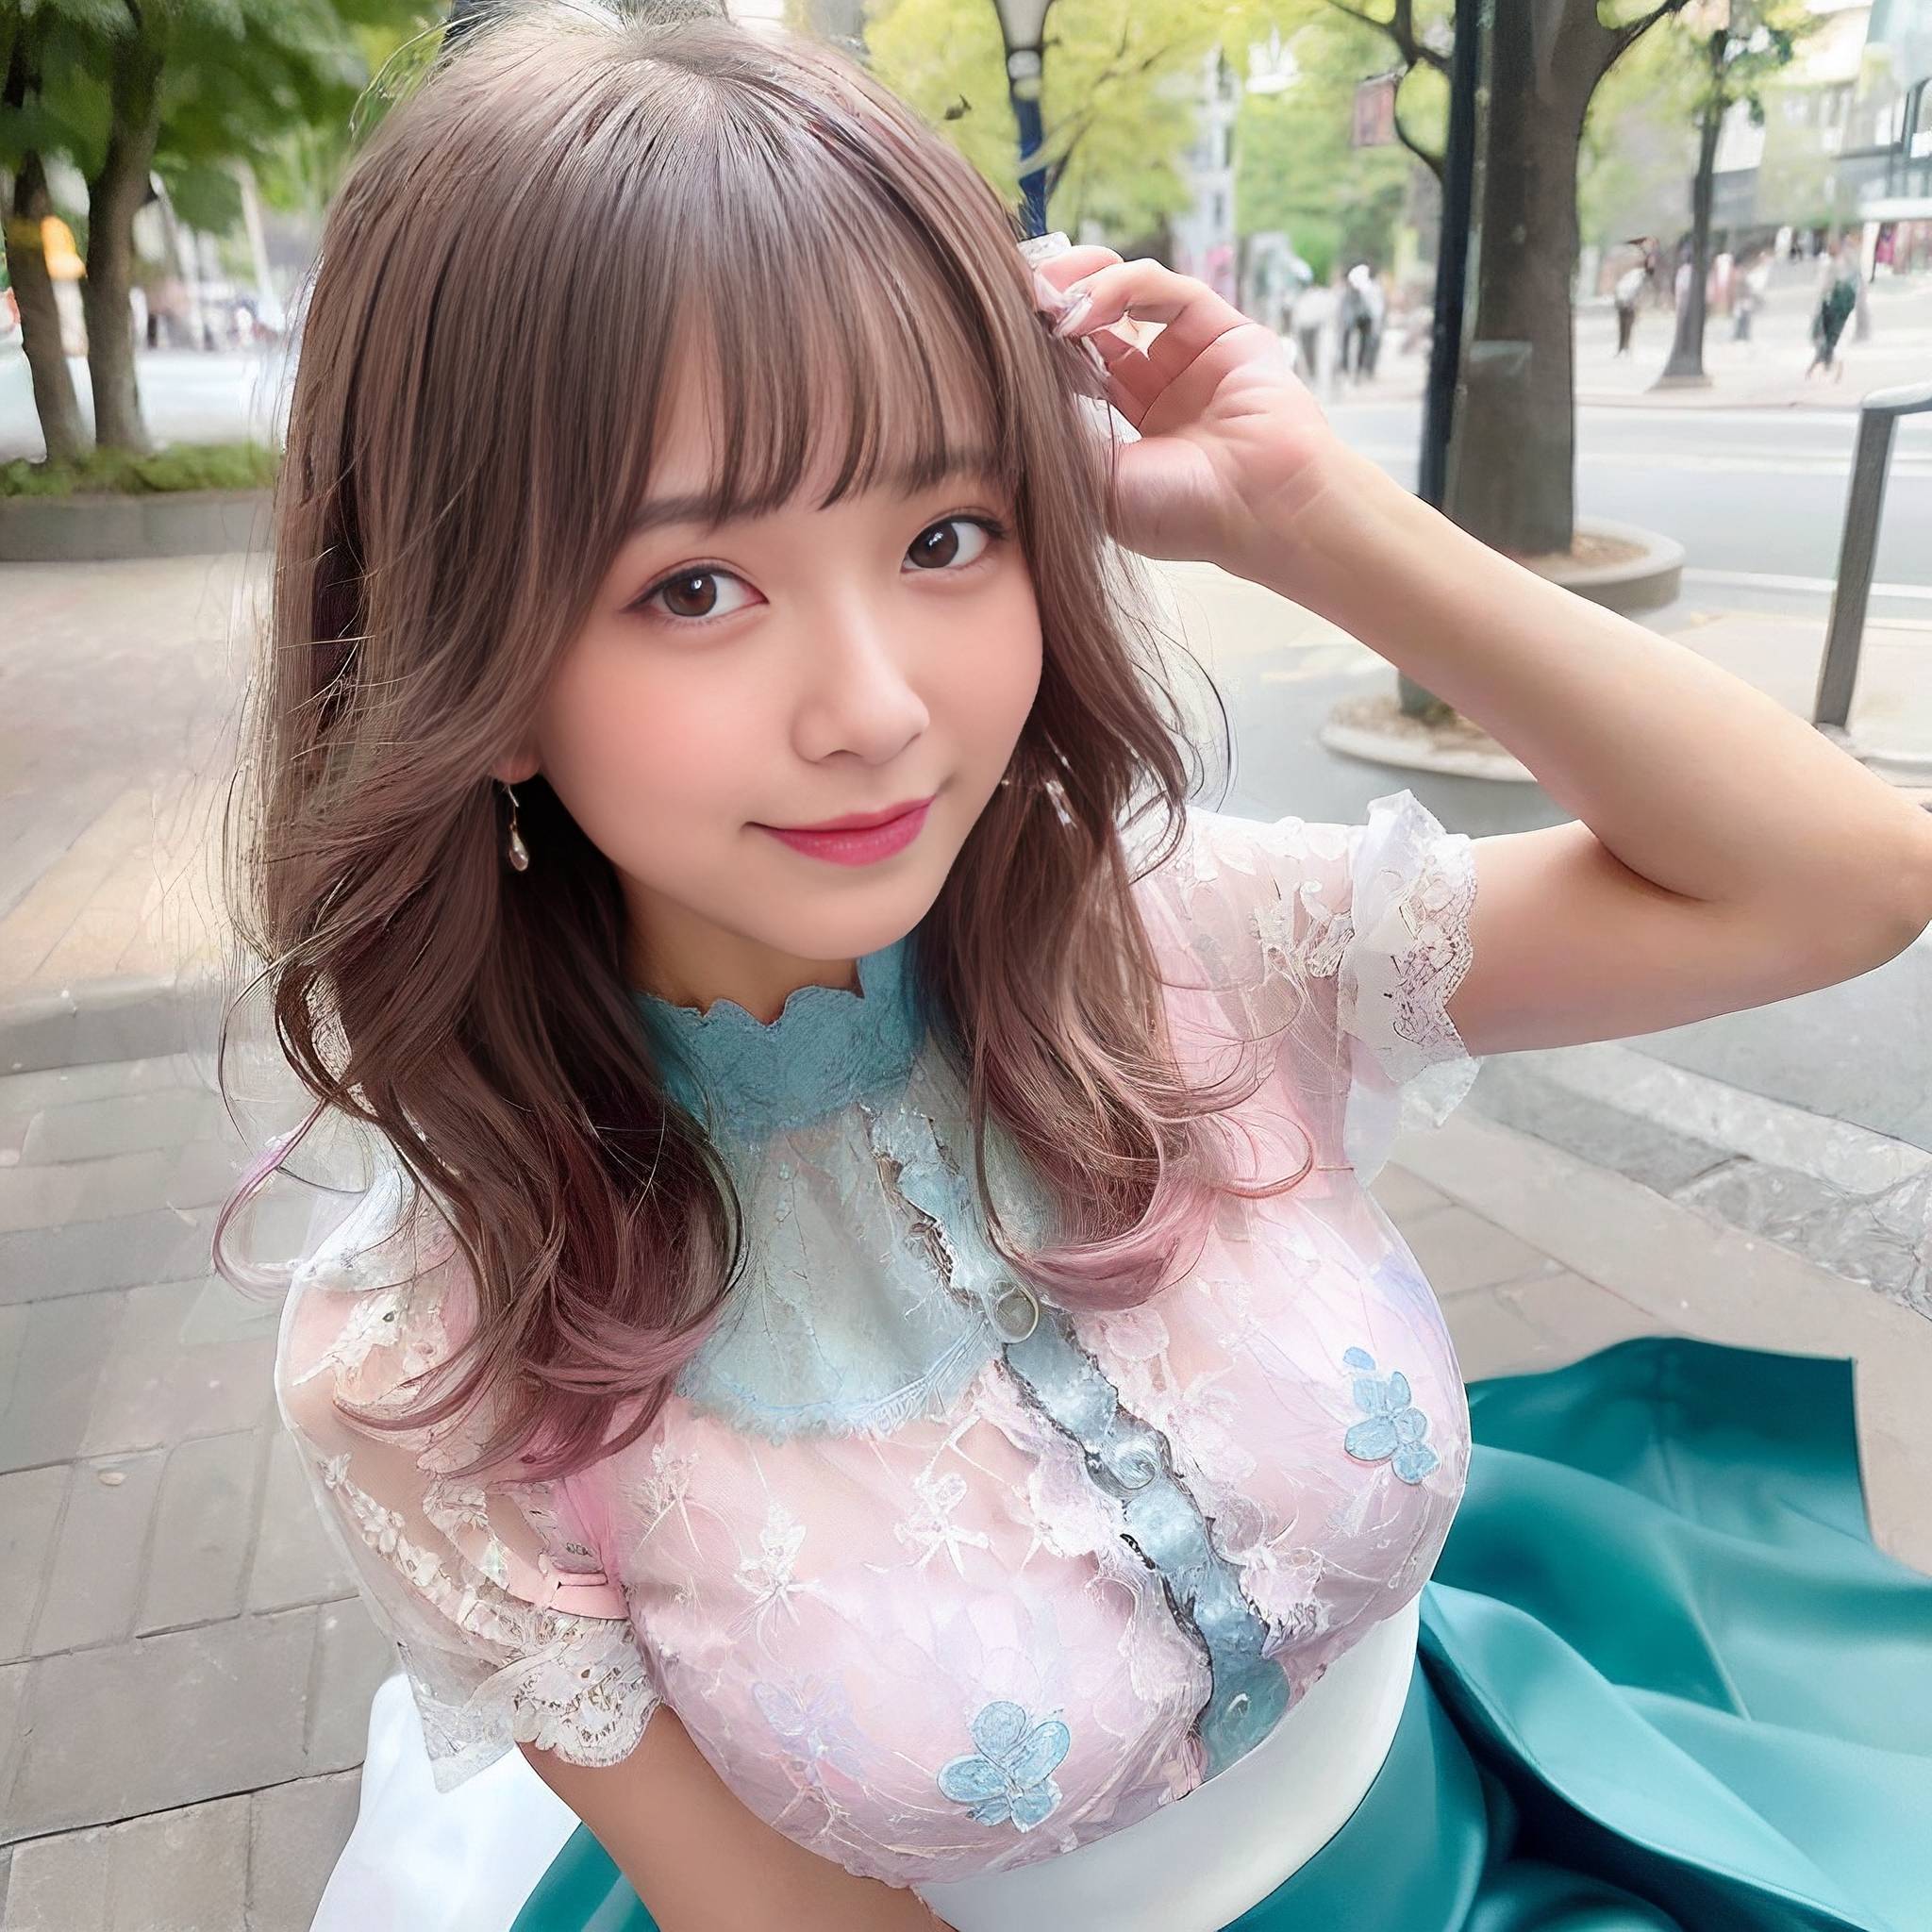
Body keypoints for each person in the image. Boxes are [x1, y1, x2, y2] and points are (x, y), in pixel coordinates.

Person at [226, 7, 1932, 1931]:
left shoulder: (1184, 937)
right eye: (692, 587)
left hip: (1527, 1826)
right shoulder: (426, 1357)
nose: (875, 711)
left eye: (948, 529)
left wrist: (1309, 517)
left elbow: (1837, 879)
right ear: (482, 663)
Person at [1807, 242, 1858, 379]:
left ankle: (1825, 369)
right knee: (1828, 341)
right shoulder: (1830, 265)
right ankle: (1823, 368)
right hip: (1831, 307)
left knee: (1830, 341)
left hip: (1835, 308)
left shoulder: (1835, 266)